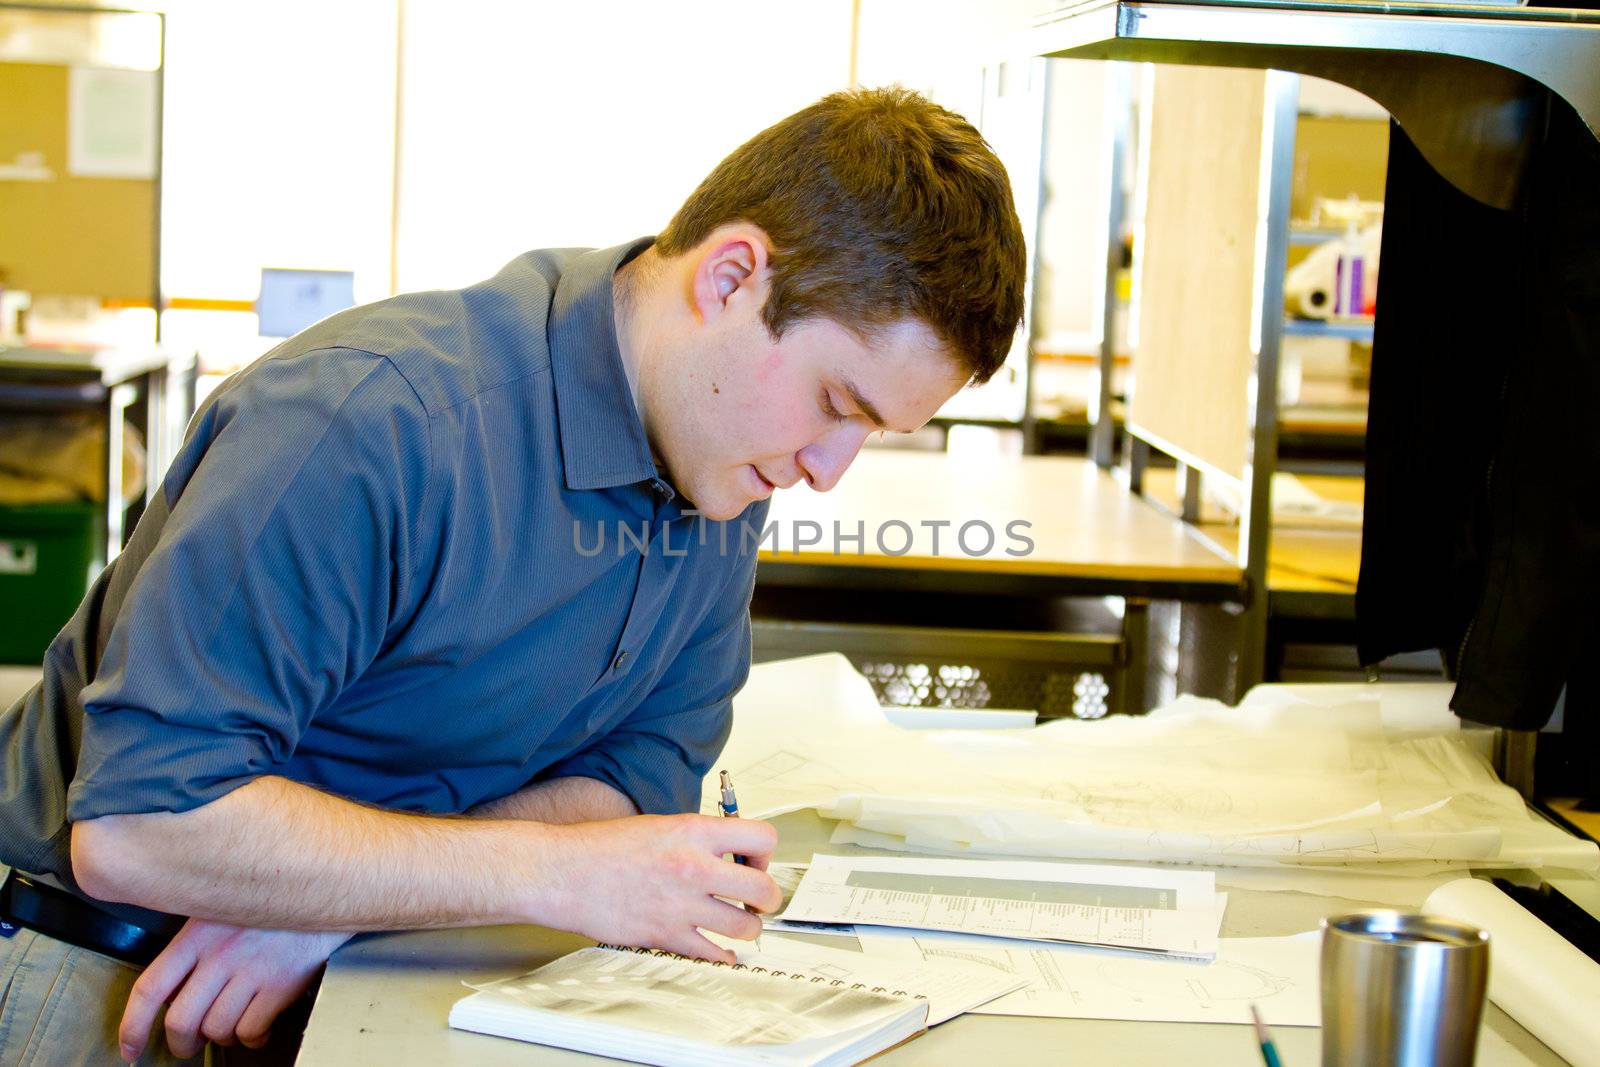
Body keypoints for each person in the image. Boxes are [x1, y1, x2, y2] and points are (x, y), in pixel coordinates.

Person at [0, 85, 1025, 1064]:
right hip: (95, 958)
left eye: (873, 434)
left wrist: (325, 914)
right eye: (836, 402)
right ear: (730, 277)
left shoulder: (718, 461)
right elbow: (141, 825)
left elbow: (639, 777)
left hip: (344, 968)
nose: (826, 470)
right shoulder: (370, 423)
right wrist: (554, 870)